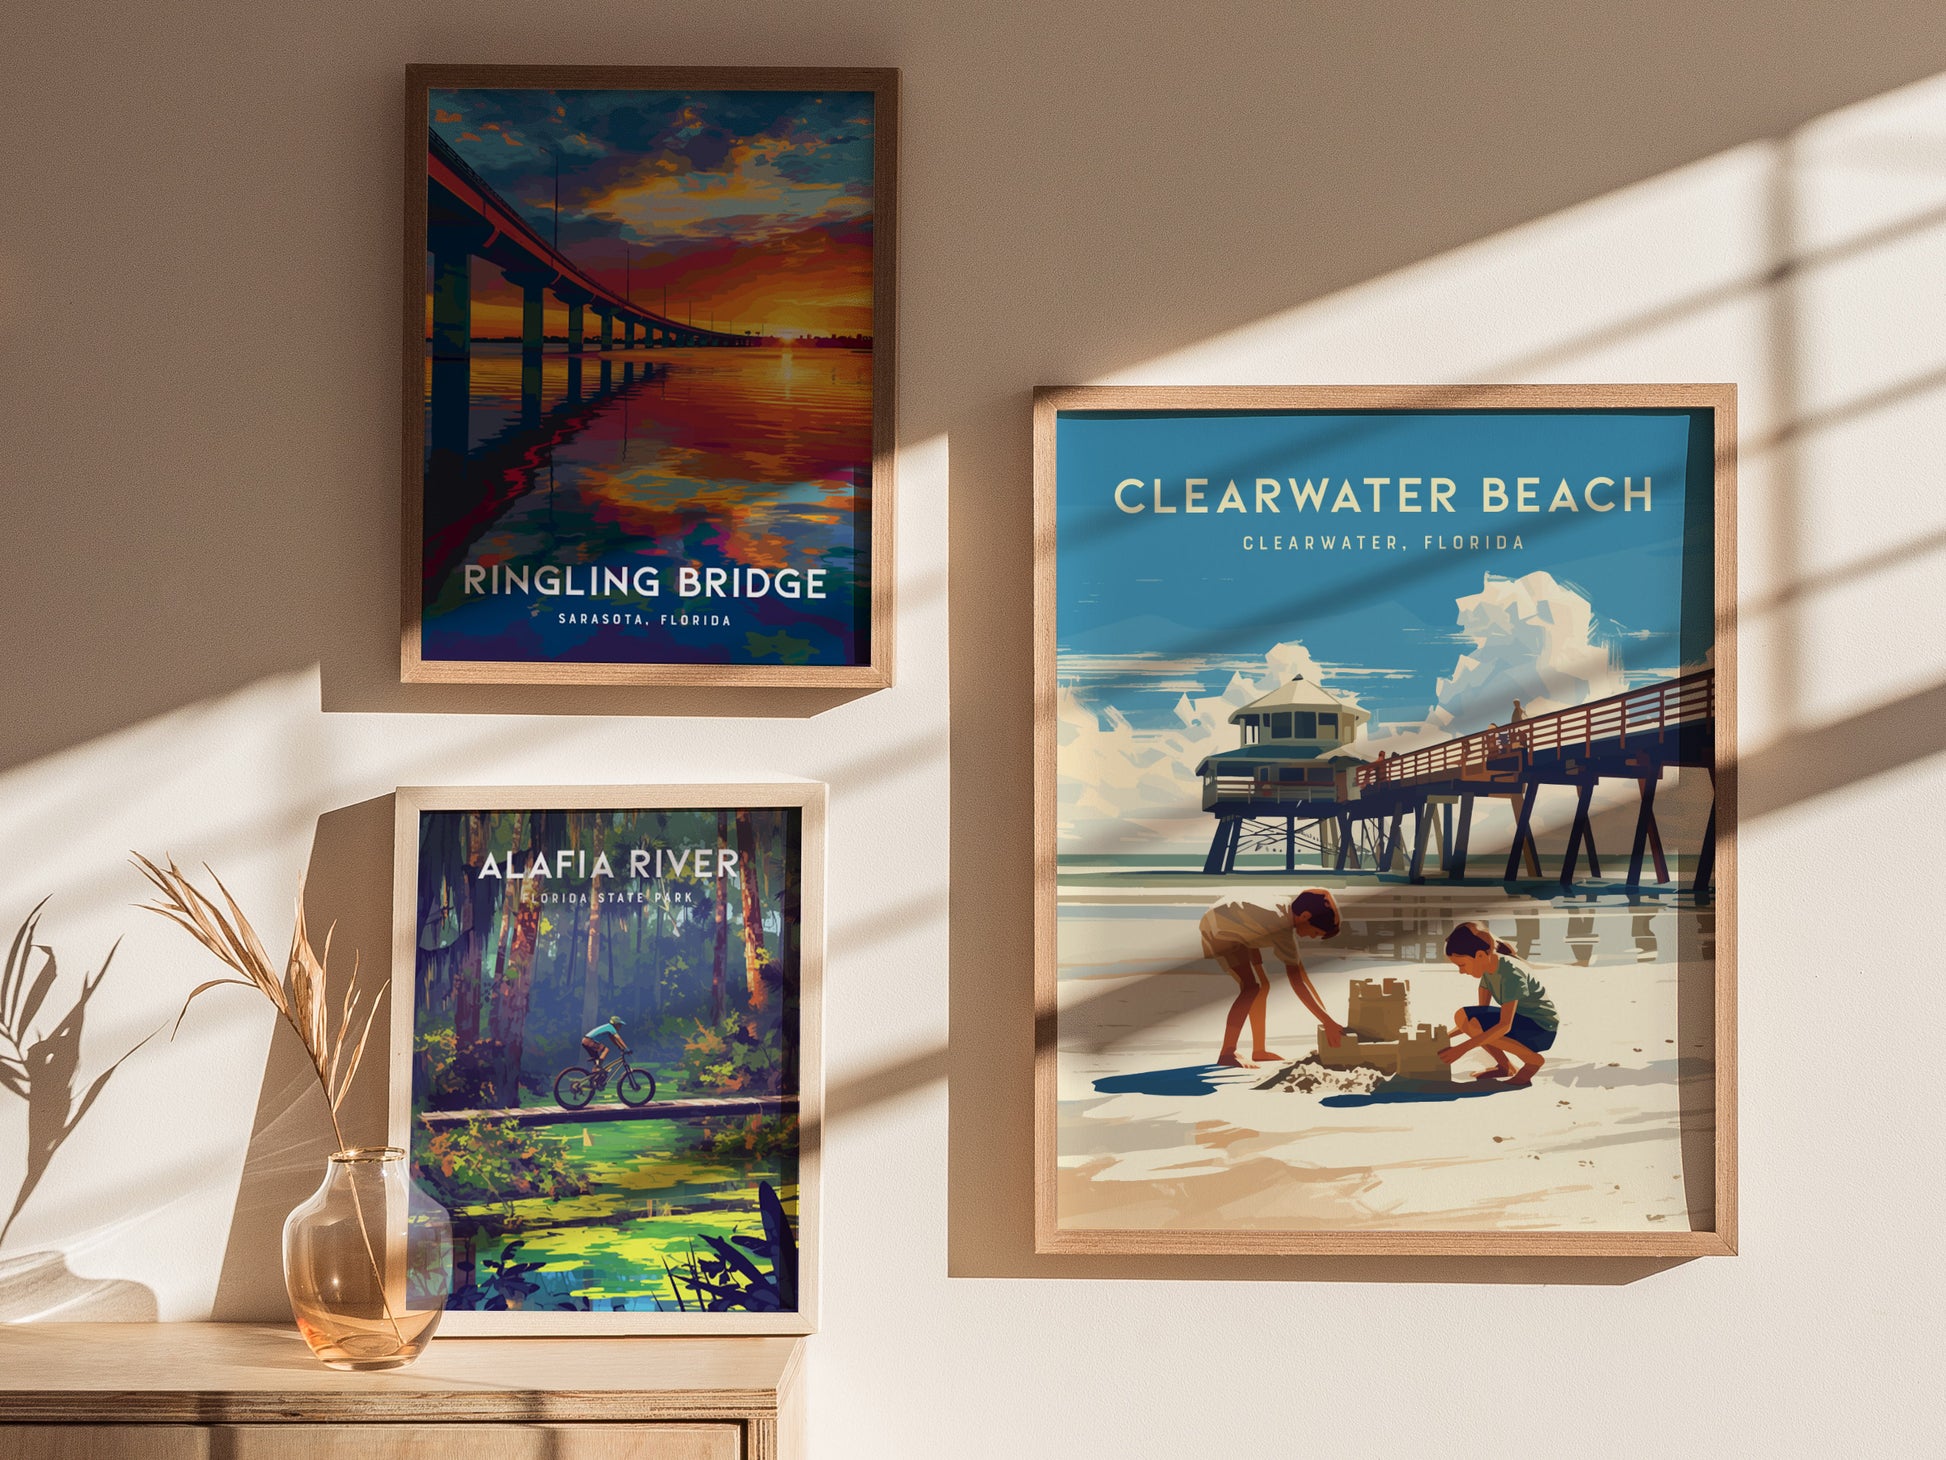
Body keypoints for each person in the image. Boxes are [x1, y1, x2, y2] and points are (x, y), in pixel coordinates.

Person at [1197, 888, 1346, 1068]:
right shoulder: (1282, 929)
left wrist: (1327, 1018)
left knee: (1263, 986)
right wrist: (1327, 1022)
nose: (1310, 937)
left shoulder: (1284, 908)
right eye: (1314, 932)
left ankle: (1259, 1051)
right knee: (1251, 988)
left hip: (1239, 923)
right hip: (1221, 929)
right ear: (1305, 916)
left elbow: (1301, 973)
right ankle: (1228, 1052)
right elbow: (1297, 982)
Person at [1437, 922, 1557, 1084]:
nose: (1461, 971)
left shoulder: (1511, 973)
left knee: (1467, 1018)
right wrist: (1446, 1036)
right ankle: (1505, 1066)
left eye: (1462, 965)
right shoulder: (1489, 971)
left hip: (1541, 1030)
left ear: (1479, 955)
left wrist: (1461, 1049)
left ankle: (1533, 1061)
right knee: (1464, 1018)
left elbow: (1504, 1026)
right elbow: (1478, 1018)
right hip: (1520, 1021)